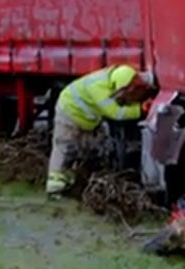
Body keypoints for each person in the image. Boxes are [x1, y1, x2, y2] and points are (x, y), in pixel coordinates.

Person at [46, 64, 155, 197]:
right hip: (69, 113)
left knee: (84, 148)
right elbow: (115, 112)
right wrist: (141, 109)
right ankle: (55, 186)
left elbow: (143, 80)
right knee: (65, 146)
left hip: (85, 119)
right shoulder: (98, 88)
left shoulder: (119, 77)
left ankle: (71, 180)